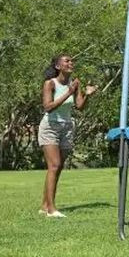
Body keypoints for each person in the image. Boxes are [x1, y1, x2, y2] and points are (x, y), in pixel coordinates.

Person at [38, 54, 97, 218]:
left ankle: (45, 205)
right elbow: (48, 107)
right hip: (50, 127)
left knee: (58, 167)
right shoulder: (50, 83)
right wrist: (68, 92)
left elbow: (79, 106)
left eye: (72, 61)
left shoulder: (75, 83)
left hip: (67, 127)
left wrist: (87, 95)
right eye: (67, 61)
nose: (71, 63)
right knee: (54, 165)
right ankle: (51, 210)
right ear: (58, 66)